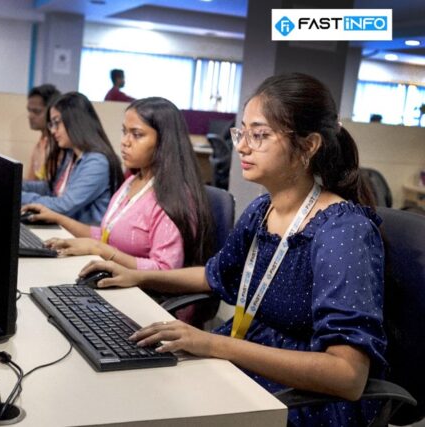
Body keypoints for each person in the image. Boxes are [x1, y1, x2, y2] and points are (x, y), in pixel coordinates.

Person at [81, 73, 387, 426]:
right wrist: (137, 275)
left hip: (301, 397)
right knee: (133, 388)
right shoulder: (262, 211)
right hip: (244, 362)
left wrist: (213, 345)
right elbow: (215, 275)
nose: (241, 147)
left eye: (259, 135)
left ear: (308, 146)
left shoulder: (342, 231)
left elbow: (347, 375)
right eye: (242, 132)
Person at [23, 97, 213, 270]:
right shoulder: (132, 181)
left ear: (164, 142)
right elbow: (107, 235)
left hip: (146, 293)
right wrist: (58, 219)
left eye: (137, 134)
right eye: (124, 132)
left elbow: (164, 269)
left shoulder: (172, 197)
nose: (124, 142)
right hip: (116, 279)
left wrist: (100, 249)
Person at [21, 92, 124, 225]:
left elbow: (64, 206)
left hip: (80, 235)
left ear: (75, 121)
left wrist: (17, 195)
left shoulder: (97, 162)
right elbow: (51, 189)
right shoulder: (71, 155)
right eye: (51, 124)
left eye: (57, 123)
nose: (53, 130)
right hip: (63, 230)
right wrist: (16, 184)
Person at [25, 84, 61, 180]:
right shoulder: (41, 143)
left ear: (52, 112)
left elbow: (52, 186)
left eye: (36, 111)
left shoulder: (59, 146)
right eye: (29, 110)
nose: (30, 116)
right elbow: (30, 181)